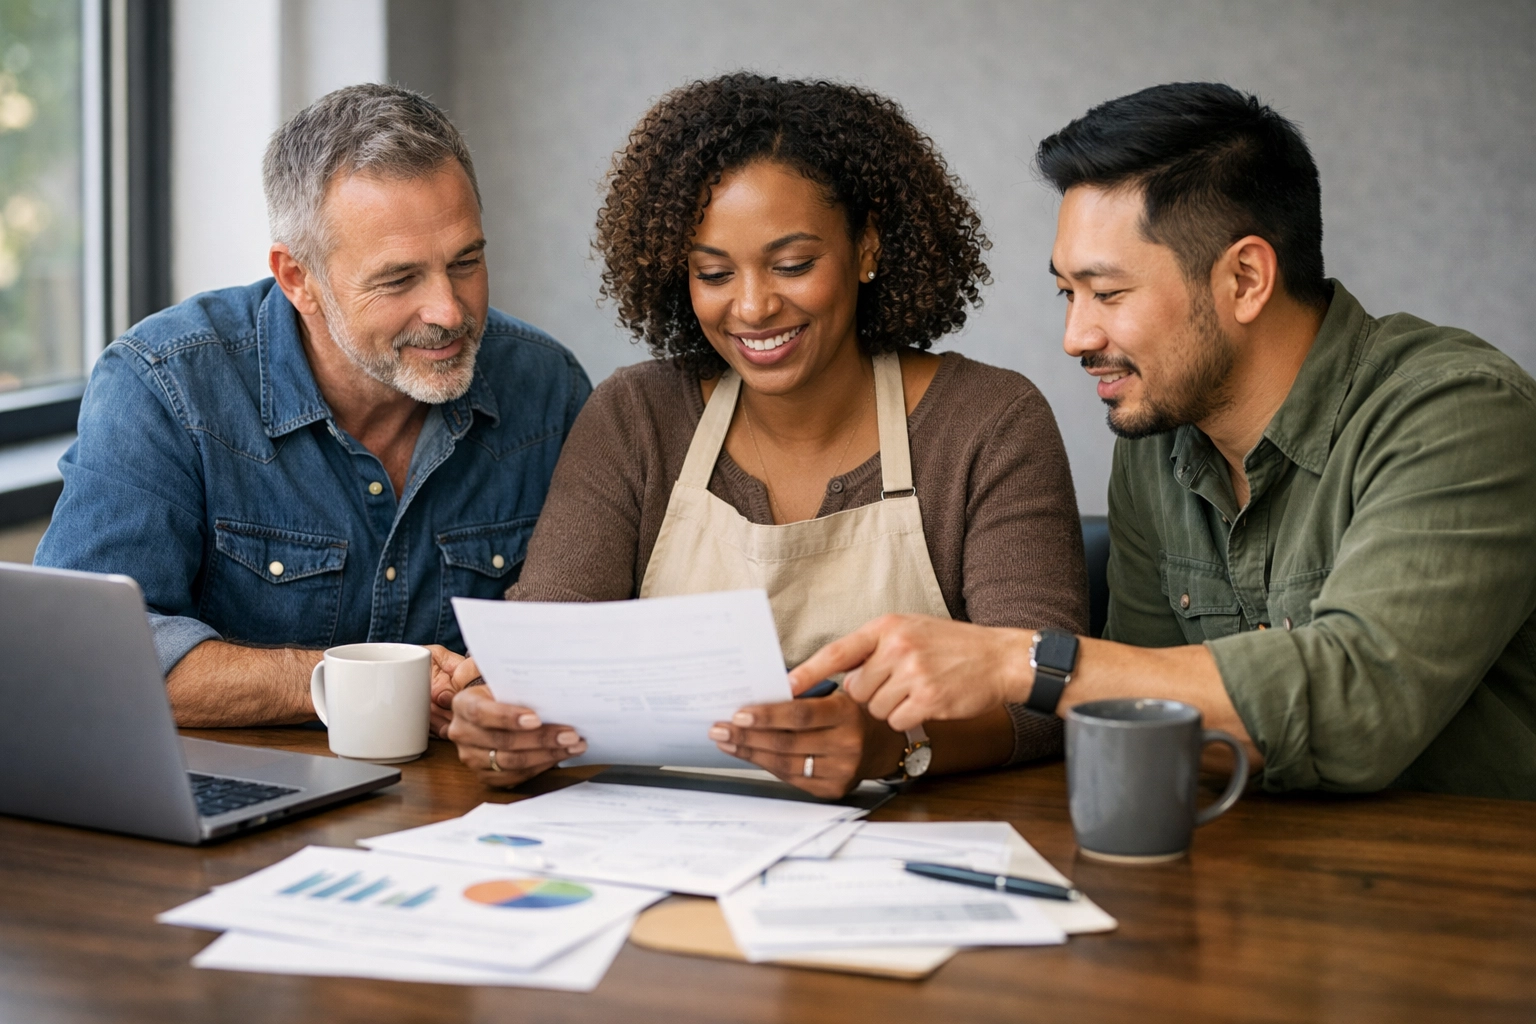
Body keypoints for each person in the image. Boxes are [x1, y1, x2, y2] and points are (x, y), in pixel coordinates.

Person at [793, 82, 1536, 801]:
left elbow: (1359, 704)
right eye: (1067, 293)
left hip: (1463, 874)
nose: (1075, 336)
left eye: (1108, 293)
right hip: (1251, 860)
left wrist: (1024, 662)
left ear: (1245, 278)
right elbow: (1130, 715)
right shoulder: (1155, 443)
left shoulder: (1458, 412)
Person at [442, 73, 1088, 796]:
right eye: (714, 273)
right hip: (669, 834)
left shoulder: (988, 422)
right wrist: (501, 723)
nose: (752, 308)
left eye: (793, 266)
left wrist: (892, 744)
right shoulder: (636, 418)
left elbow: (1043, 698)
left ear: (867, 245)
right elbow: (545, 654)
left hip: (911, 833)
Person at [34, 85, 590, 736]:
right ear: (298, 278)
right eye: (399, 279)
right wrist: (364, 682)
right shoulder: (164, 385)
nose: (448, 310)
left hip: (470, 792)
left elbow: (592, 638)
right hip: (245, 789)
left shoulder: (547, 388)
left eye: (466, 262)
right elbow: (83, 656)